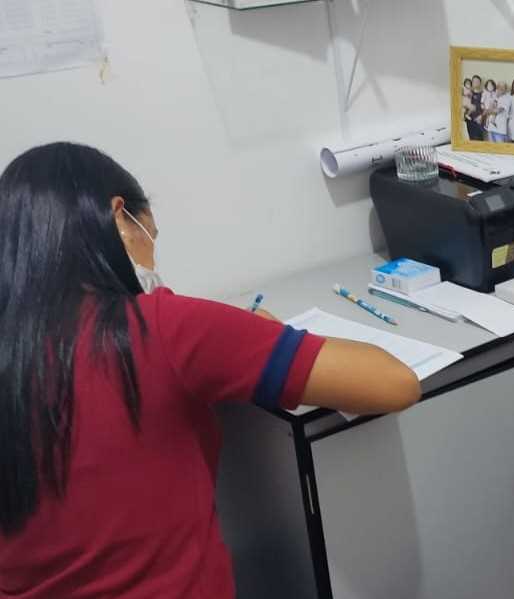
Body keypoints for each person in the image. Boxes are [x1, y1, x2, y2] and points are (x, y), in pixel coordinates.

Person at [0, 143, 422, 598]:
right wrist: (258, 339)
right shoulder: (161, 329)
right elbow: (394, 383)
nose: (152, 261)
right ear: (120, 219)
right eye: (151, 237)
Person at [465, 75, 485, 141]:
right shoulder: (468, 93)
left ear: (480, 83)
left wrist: (482, 116)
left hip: (480, 121)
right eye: (474, 81)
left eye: (477, 81)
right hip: (470, 121)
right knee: (472, 140)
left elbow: (486, 107)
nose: (476, 82)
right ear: (472, 83)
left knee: (480, 140)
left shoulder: (484, 94)